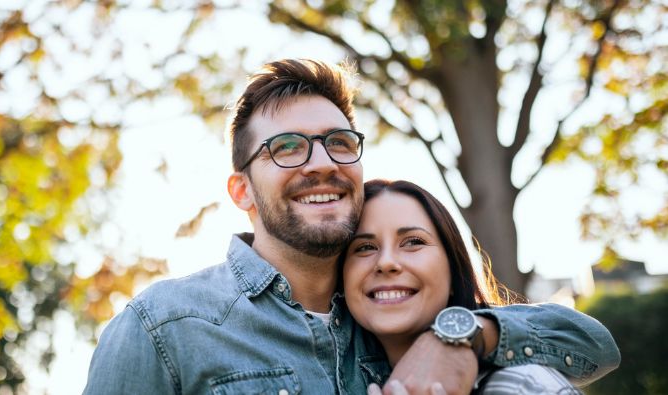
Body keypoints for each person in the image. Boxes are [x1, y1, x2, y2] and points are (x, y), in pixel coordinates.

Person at [83, 59, 620, 394]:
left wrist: (463, 336)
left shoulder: (388, 316)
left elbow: (592, 345)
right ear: (241, 191)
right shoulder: (164, 328)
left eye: (337, 142)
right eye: (286, 148)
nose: (321, 162)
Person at [344, 179, 588, 394]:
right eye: (364, 247)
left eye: (413, 242)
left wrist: (459, 336)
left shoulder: (522, 384)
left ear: (453, 269)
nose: (386, 262)